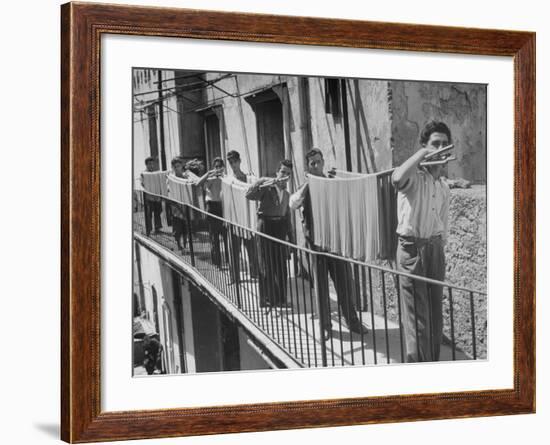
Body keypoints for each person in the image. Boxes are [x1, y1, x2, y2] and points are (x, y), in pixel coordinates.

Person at [391, 120, 452, 362]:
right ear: (425, 147)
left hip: (434, 250)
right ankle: (419, 372)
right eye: (435, 144)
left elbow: (443, 225)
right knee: (418, 320)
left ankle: (433, 365)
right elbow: (397, 178)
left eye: (445, 144)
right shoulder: (414, 178)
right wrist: (423, 154)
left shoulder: (444, 186)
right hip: (411, 249)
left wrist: (438, 249)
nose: (441, 148)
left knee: (435, 315)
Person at [289, 148, 366, 337]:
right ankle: (325, 327)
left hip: (335, 244)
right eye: (312, 163)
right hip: (315, 245)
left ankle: (352, 321)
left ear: (323, 162)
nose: (316, 166)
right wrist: (308, 184)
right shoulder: (304, 186)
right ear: (308, 166)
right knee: (321, 287)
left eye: (318, 161)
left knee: (344, 284)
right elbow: (293, 203)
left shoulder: (333, 182)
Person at [246, 160, 294, 308]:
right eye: (283, 172)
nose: (285, 176)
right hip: (265, 225)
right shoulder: (267, 188)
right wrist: (264, 180)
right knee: (266, 263)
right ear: (277, 173)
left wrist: (291, 239)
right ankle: (266, 299)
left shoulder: (286, 194)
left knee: (281, 264)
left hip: (279, 228)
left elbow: (287, 217)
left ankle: (281, 299)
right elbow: (249, 194)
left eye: (288, 174)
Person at [226, 150, 258, 282]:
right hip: (234, 219)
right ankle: (235, 277)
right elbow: (226, 201)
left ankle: (255, 273)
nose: (233, 165)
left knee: (251, 248)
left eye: (235, 161)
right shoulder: (228, 180)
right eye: (230, 162)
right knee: (234, 250)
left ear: (240, 161)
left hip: (248, 219)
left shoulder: (250, 179)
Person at [196, 157, 229, 267]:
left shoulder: (226, 178)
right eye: (216, 167)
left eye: (220, 166)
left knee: (226, 237)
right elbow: (198, 184)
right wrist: (209, 173)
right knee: (214, 238)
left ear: (223, 167)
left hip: (223, 207)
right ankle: (217, 263)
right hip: (212, 207)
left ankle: (229, 262)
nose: (218, 169)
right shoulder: (210, 179)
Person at [167, 157, 187, 252]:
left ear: (181, 166)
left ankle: (185, 245)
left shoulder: (185, 177)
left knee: (185, 227)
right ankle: (179, 245)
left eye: (178, 166)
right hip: (175, 205)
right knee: (177, 227)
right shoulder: (171, 178)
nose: (177, 168)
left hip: (185, 204)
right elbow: (169, 190)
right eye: (175, 166)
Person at [141, 156, 163, 236]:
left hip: (156, 196)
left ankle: (157, 228)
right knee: (149, 213)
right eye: (149, 164)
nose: (151, 166)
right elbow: (142, 183)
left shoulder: (156, 173)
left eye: (152, 164)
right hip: (149, 197)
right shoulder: (143, 173)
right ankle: (149, 229)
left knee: (158, 212)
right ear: (146, 165)